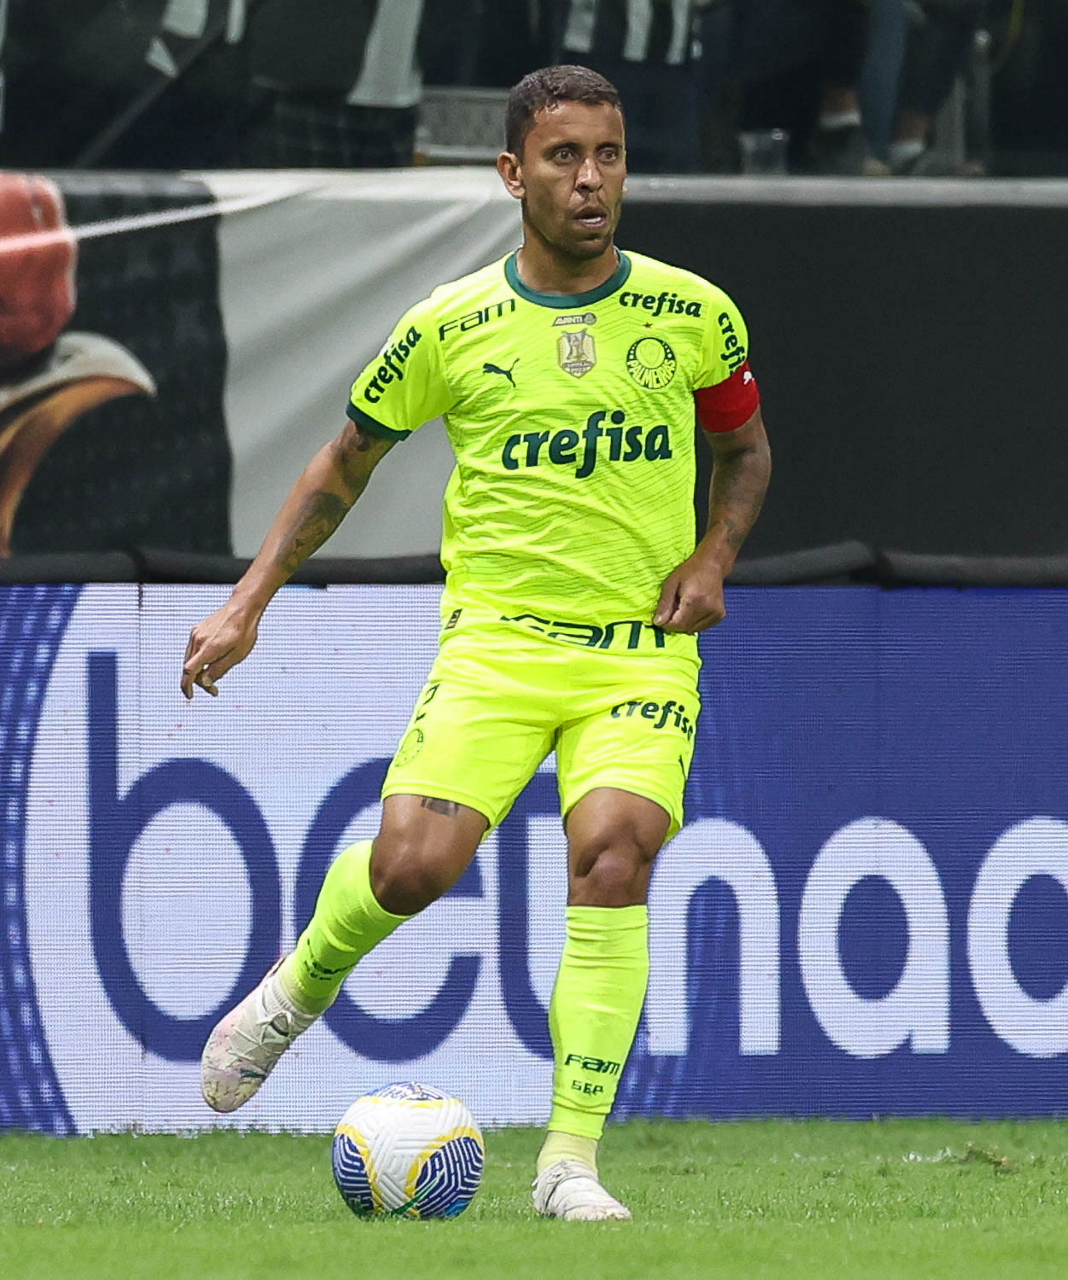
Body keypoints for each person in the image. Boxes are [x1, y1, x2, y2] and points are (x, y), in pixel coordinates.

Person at [181, 64, 771, 1221]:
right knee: (411, 865)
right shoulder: (449, 326)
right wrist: (248, 600)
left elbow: (744, 451)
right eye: (563, 156)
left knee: (616, 853)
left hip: (637, 648)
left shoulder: (695, 314)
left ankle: (568, 1162)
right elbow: (343, 462)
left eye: (608, 154)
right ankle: (298, 989)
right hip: (497, 642)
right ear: (511, 173)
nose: (590, 178)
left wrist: (713, 557)